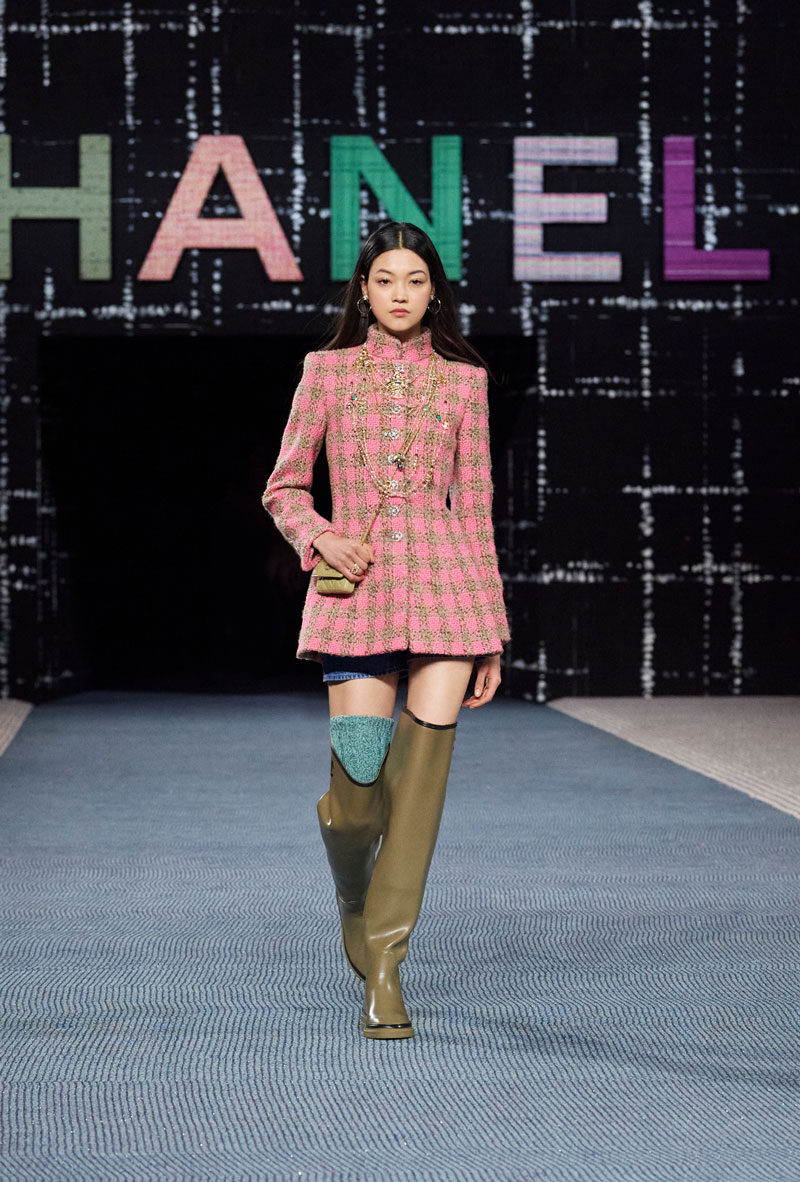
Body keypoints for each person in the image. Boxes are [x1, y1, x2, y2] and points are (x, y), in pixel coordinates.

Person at [262, 221, 510, 1040]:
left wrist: (491, 631)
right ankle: (354, 896)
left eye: (415, 280)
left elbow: (477, 509)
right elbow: (284, 486)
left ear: (434, 292)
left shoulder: (464, 383)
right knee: (360, 792)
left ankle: (387, 965)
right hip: (358, 588)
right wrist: (319, 535)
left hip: (448, 591)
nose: (400, 293)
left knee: (423, 785)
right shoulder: (327, 372)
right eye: (385, 280)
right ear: (363, 292)